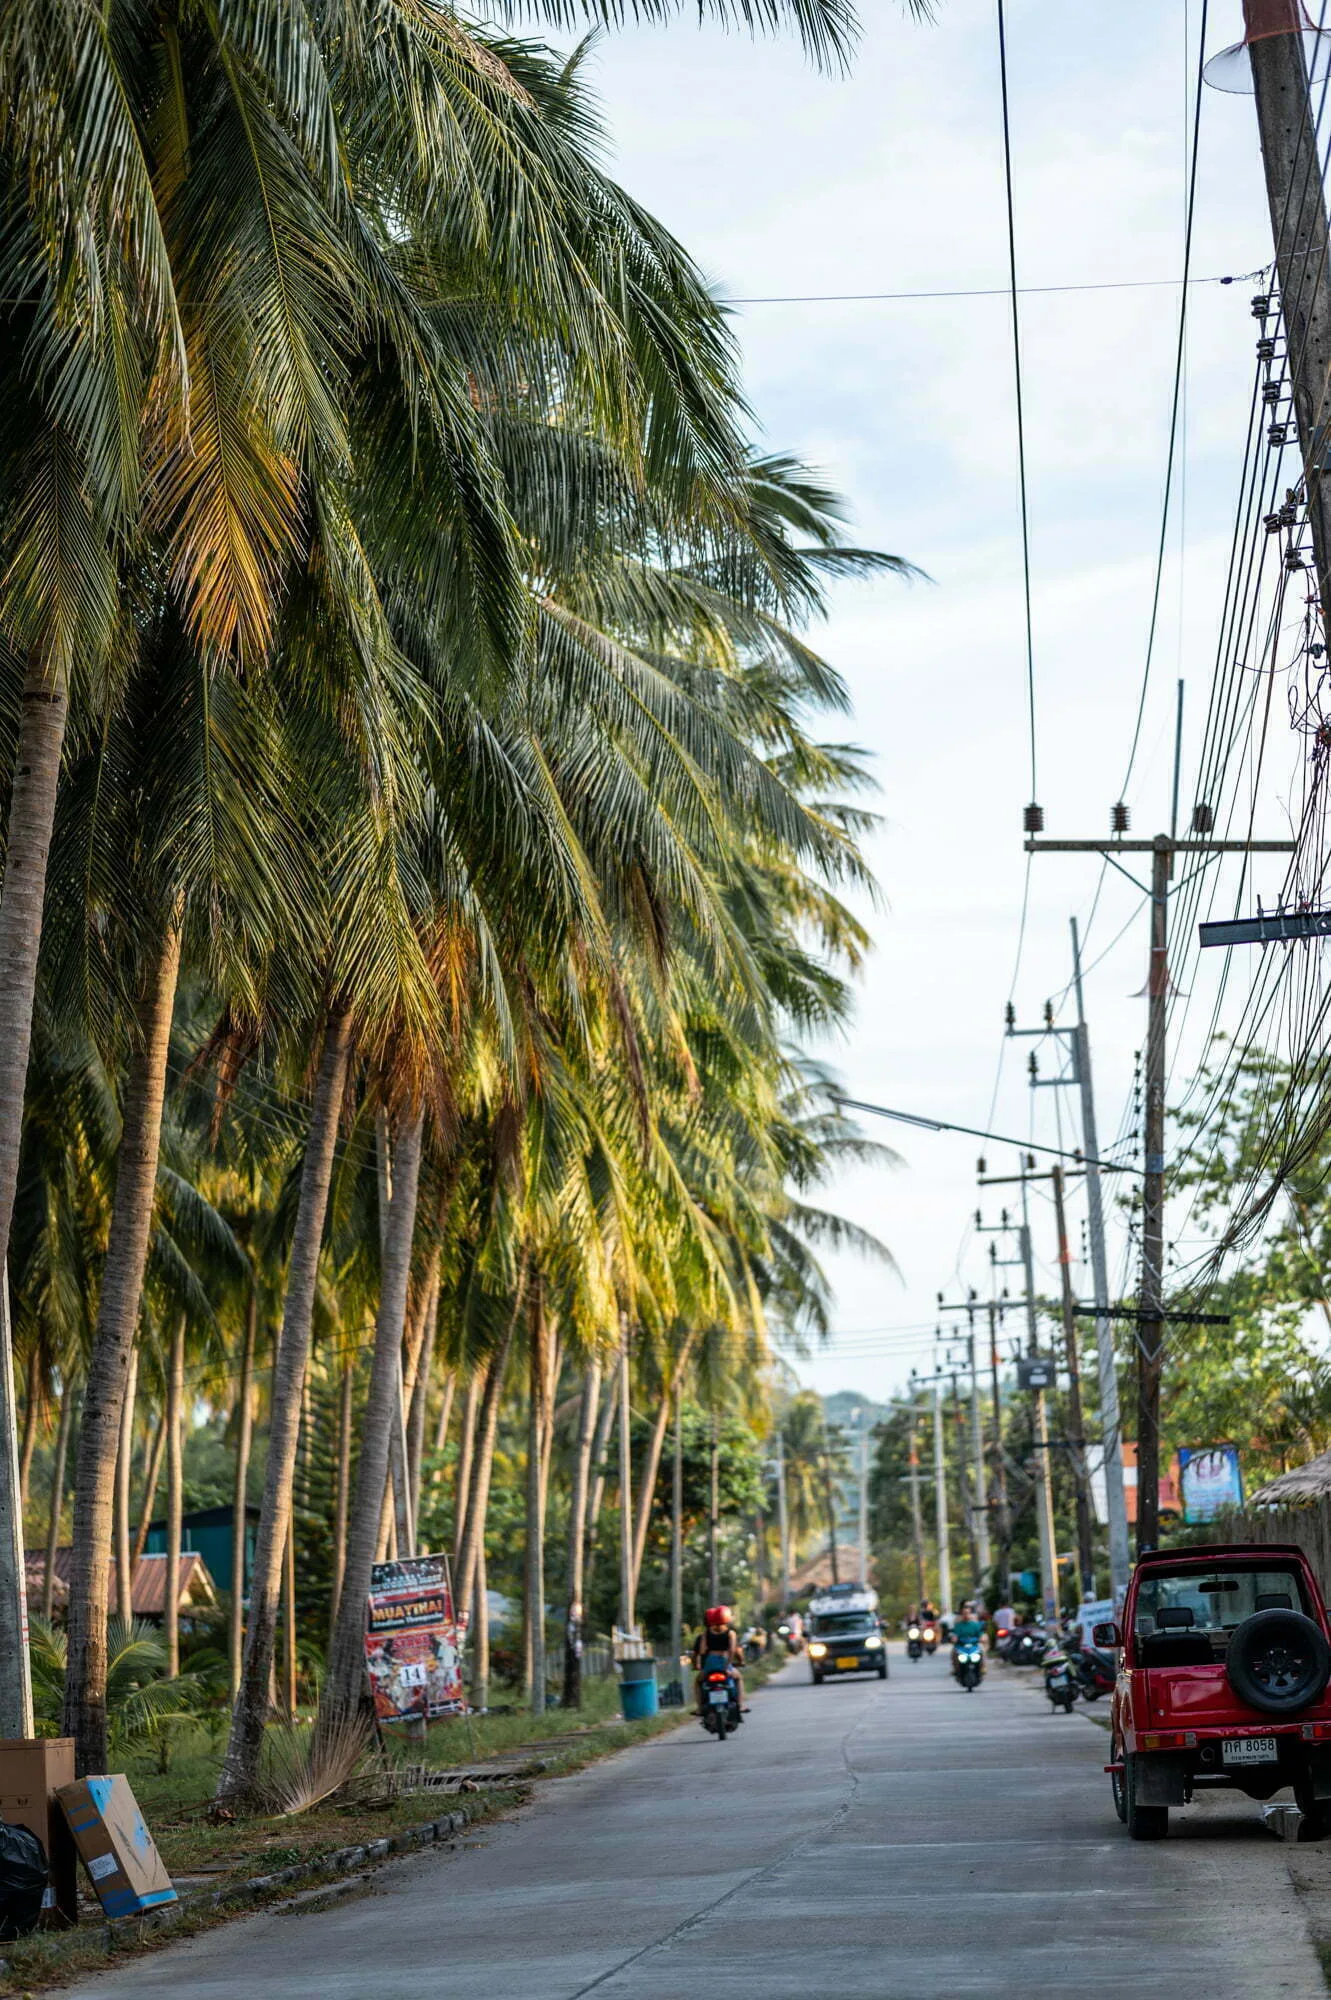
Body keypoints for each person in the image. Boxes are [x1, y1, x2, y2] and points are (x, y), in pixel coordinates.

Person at [691, 1604, 746, 1713]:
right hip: (724, 1661)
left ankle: (699, 1708)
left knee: (698, 1681)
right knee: (738, 1678)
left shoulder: (706, 1633)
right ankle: (740, 1705)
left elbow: (702, 1651)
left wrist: (702, 1666)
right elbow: (732, 1650)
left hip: (710, 1662)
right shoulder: (731, 1633)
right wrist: (728, 1666)